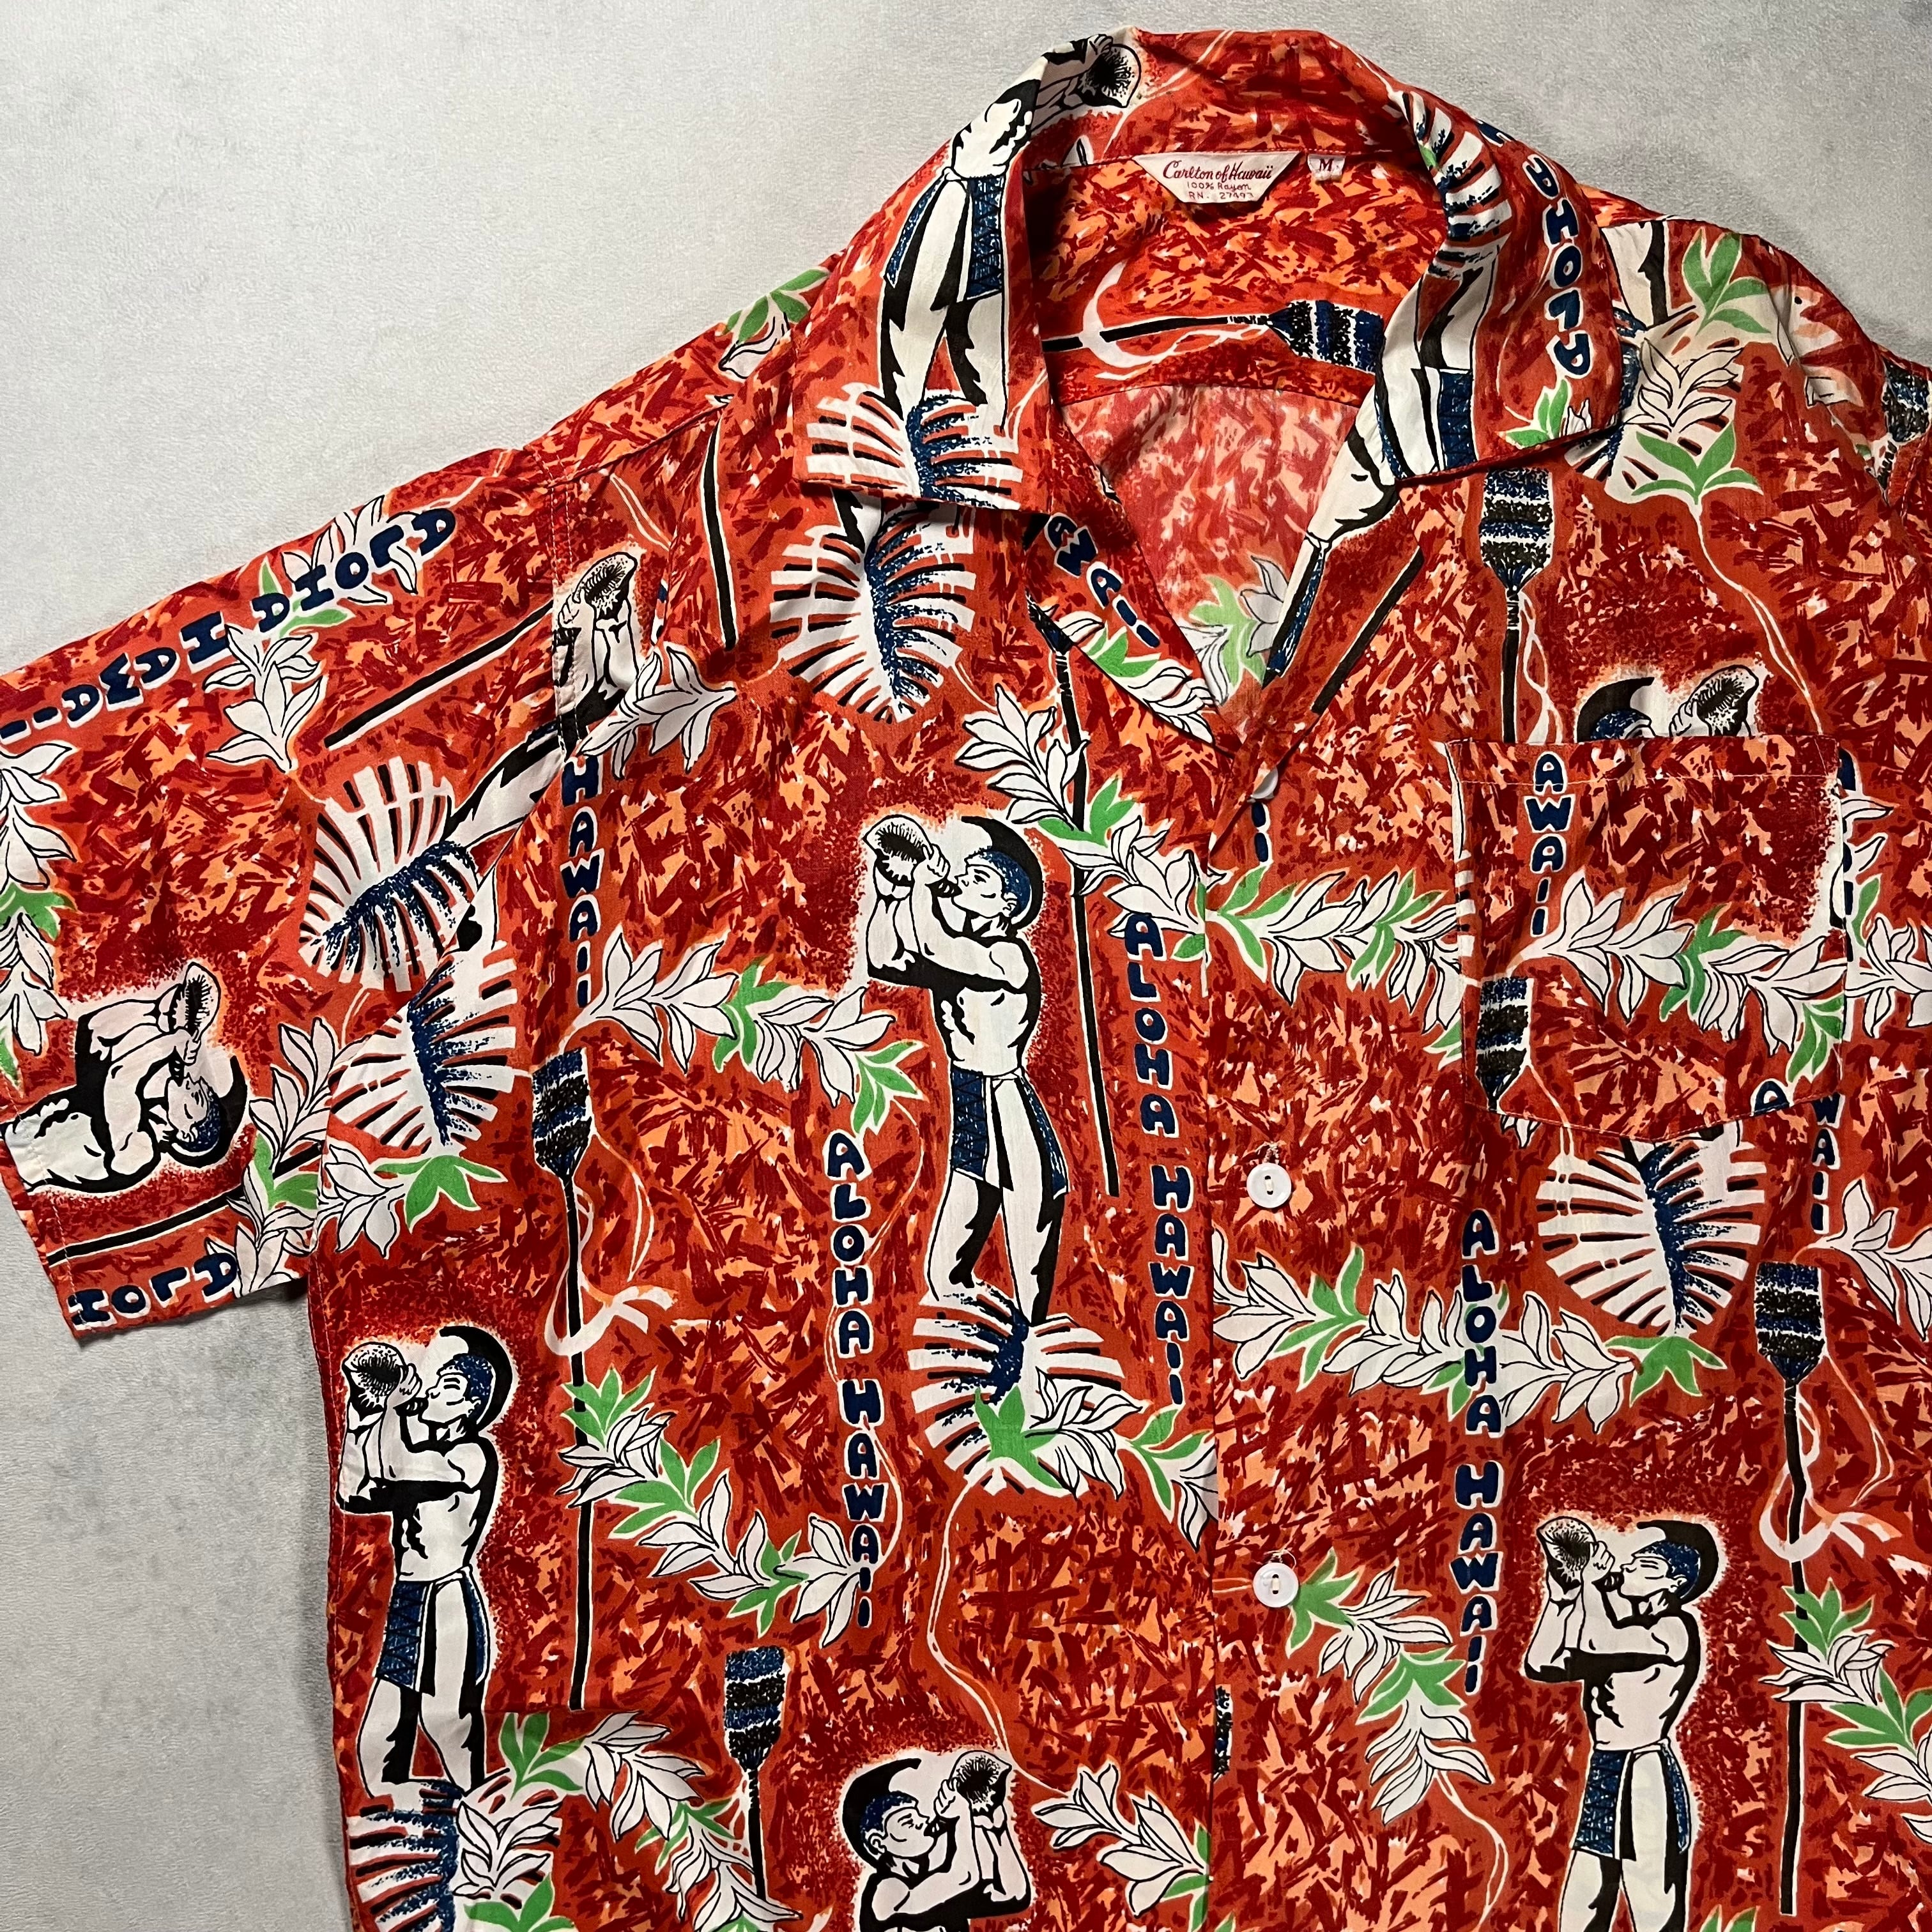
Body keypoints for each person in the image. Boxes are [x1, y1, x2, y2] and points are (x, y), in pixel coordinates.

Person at [864, 815, 1068, 1339]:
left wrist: (924, 882)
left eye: (979, 879)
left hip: (1007, 1104)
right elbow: (885, 958)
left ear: (1007, 904)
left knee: (1029, 1255)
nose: (961, 881)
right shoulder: (961, 956)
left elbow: (933, 945)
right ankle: (982, 1353)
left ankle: (1036, 1350)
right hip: (973, 1103)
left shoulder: (1006, 956)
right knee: (945, 1273)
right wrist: (891, 895)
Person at [335, 1324, 514, 1798]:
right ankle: (395, 1824)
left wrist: (394, 1404)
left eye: (447, 1385)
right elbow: (354, 1493)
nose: (431, 1390)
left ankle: (486, 1815)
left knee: (446, 1722)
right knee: (379, 1738)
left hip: (446, 1597)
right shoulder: (422, 1452)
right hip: (409, 1598)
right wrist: (360, 1418)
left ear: (472, 1405)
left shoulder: (472, 1455)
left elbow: (397, 1466)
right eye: (434, 1382)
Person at [1524, 1515, 1721, 1932]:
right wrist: (1561, 1598)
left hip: (1644, 1773)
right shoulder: (1620, 1627)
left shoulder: (1675, 1628)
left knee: (1651, 1903)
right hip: (1607, 1770)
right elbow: (1542, 1663)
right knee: (1582, 1907)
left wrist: (1592, 1585)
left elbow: (1597, 1640)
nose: (1628, 1565)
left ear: (1673, 1584)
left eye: (1646, 1565)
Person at [1, 960, 247, 1193]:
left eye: (198, 1098)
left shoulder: (140, 1155)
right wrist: (162, 1022)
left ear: (187, 1134)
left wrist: (174, 1040)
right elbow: (94, 1032)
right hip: (14, 1140)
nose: (193, 1082)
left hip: (20, 1162)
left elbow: (120, 1077)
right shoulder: (145, 1107)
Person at [841, 1751, 1032, 1932]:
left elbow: (1012, 1894)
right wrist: (960, 1816)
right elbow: (963, 1877)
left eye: (919, 1814)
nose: (923, 1821)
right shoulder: (885, 1892)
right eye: (908, 1821)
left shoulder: (936, 1890)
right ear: (878, 1842)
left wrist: (997, 1829)